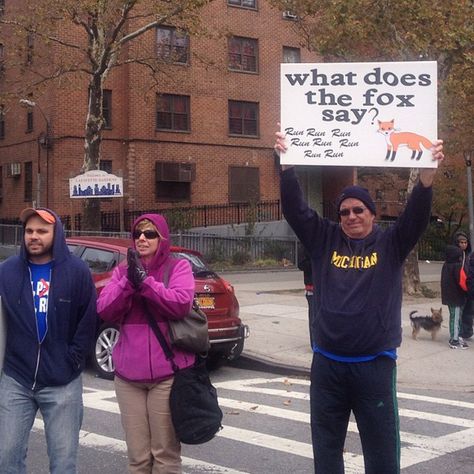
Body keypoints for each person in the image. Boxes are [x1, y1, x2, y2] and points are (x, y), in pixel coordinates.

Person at [274, 129, 444, 474]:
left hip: (374, 367)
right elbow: (295, 210)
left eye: (359, 210)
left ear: (372, 213)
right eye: (344, 211)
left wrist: (425, 181)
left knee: (381, 454)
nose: (351, 216)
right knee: (326, 451)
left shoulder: (391, 243)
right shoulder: (324, 239)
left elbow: (415, 218)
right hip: (327, 366)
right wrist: (287, 168)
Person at [96, 214, 196, 474]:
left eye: (150, 233)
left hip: (167, 376)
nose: (142, 238)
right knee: (138, 458)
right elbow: (105, 308)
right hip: (128, 378)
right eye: (138, 233)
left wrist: (147, 283)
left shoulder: (178, 268)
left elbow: (180, 304)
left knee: (165, 456)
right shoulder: (122, 271)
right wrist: (130, 281)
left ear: (162, 238)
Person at [0, 207, 96, 474]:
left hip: (62, 382)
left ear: (57, 234)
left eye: (42, 231)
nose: (34, 236)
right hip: (16, 379)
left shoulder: (77, 272)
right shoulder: (6, 271)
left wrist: (72, 360)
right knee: (7, 458)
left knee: (63, 463)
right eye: (29, 231)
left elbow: (87, 322)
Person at [441, 244, 468, 349]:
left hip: (450, 296)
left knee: (455, 317)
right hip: (457, 296)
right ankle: (454, 339)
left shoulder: (446, 265)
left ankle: (457, 336)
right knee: (456, 317)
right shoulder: (457, 266)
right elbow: (462, 281)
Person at [454, 231, 474, 340]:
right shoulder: (455, 256)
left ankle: (467, 331)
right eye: (461, 242)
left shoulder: (469, 255)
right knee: (460, 312)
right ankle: (460, 332)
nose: (463, 244)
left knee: (468, 310)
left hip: (469, 286)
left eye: (465, 242)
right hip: (460, 287)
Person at [297, 242, 314, 346]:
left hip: (327, 287)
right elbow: (301, 264)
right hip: (312, 288)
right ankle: (315, 343)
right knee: (314, 318)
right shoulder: (306, 242)